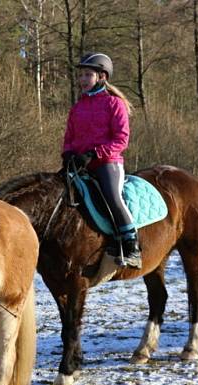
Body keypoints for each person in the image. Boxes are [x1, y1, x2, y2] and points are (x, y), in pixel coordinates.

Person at [61, 52, 142, 269]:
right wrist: (68, 153)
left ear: (102, 77)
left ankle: (132, 245)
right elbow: (69, 138)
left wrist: (94, 154)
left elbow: (121, 139)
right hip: (79, 164)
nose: (83, 80)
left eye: (88, 75)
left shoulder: (114, 104)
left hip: (108, 163)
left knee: (112, 197)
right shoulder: (77, 108)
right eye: (81, 76)